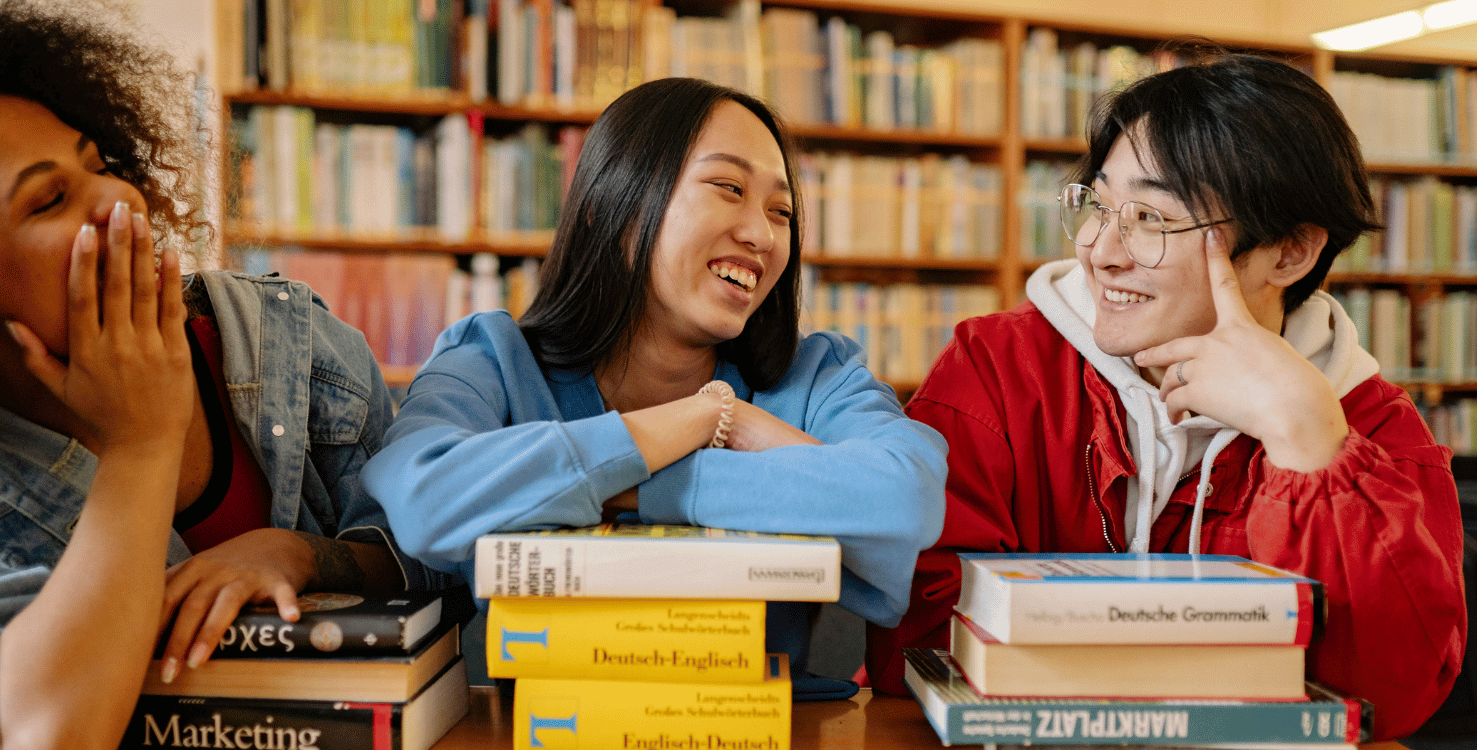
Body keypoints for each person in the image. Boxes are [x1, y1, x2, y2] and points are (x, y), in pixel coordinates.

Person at [865, 48, 1467, 740]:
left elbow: (1387, 696)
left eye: (1151, 218)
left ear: (1289, 252)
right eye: (1099, 205)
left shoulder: (1371, 427)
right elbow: (914, 637)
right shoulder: (999, 367)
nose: (1100, 251)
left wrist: (1306, 439)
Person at [362, 76, 948, 696]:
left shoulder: (816, 375)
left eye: (781, 212)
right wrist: (696, 422)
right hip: (534, 731)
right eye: (729, 188)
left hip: (762, 728)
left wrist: (643, 477)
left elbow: (904, 495)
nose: (764, 235)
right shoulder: (492, 359)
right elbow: (424, 495)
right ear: (613, 207)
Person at [0, 3, 437, 748]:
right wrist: (142, 443)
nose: (119, 199)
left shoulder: (293, 342)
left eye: (100, 165)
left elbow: (442, 564)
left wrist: (298, 553)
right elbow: (44, 733)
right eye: (50, 200)